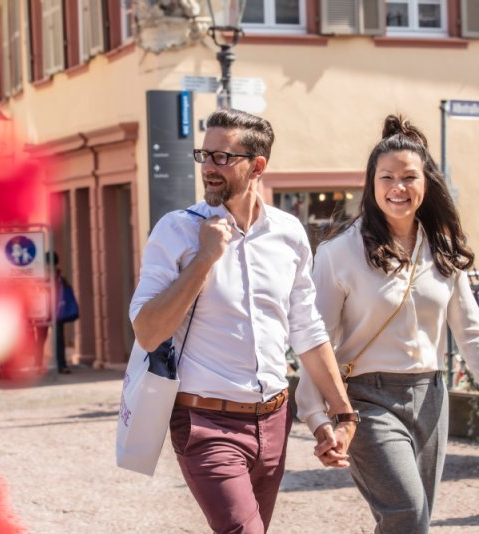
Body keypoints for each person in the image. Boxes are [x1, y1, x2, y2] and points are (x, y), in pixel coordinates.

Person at [130, 109, 357, 534]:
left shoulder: (288, 234)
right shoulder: (176, 231)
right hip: (205, 424)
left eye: (222, 157)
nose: (209, 169)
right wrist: (204, 259)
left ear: (257, 166)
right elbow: (147, 331)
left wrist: (343, 415)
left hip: (274, 420)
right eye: (205, 156)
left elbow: (307, 330)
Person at [296, 115, 479, 533]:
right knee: (408, 515)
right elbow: (317, 339)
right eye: (387, 178)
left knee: (414, 521)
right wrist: (316, 416)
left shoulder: (443, 251)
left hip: (432, 397)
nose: (398, 187)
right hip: (367, 399)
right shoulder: (338, 253)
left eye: (408, 177)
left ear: (425, 183)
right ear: (372, 183)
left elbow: (470, 332)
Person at [34, 252, 77, 374]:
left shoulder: (59, 278)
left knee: (57, 339)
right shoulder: (53, 278)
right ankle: (38, 365)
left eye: (51, 264)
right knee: (41, 339)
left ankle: (61, 365)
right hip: (43, 313)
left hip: (55, 312)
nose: (49, 267)